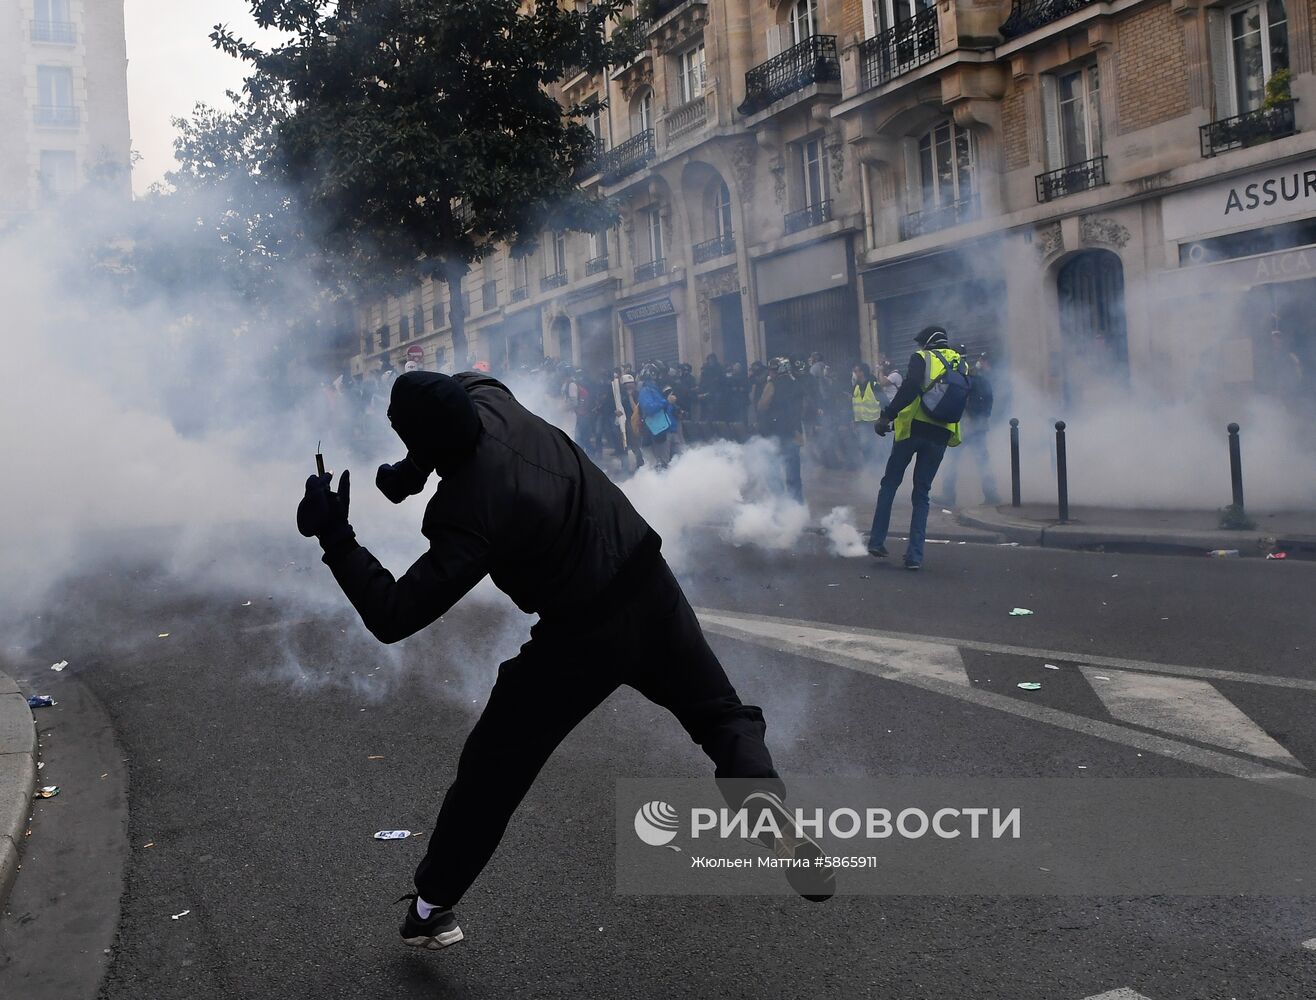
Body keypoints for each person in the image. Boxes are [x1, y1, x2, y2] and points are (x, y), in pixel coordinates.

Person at [296, 371, 833, 948]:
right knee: (721, 715)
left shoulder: (468, 510)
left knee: (491, 772)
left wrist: (336, 536)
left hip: (581, 636)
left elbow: (393, 614)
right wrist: (412, 471)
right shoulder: (490, 399)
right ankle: (763, 804)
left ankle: (430, 909)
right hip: (648, 581)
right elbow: (457, 409)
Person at [867, 325, 966, 570]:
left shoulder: (921, 358)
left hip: (913, 429)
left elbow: (910, 387)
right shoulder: (961, 364)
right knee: (922, 494)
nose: (919, 347)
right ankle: (915, 556)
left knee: (890, 483)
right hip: (941, 434)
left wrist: (887, 415)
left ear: (928, 343)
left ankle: (877, 541)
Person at [941, 353, 1000, 507]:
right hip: (978, 426)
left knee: (953, 461)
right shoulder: (982, 380)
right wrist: (983, 418)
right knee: (982, 461)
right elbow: (990, 400)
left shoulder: (962, 380)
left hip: (966, 426)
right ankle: (991, 494)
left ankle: (948, 496)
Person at [757, 358, 806, 503]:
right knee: (793, 474)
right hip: (794, 432)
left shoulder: (772, 385)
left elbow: (762, 406)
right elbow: (802, 408)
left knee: (774, 472)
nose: (770, 373)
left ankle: (780, 506)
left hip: (777, 433)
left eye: (773, 370)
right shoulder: (797, 384)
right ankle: (797, 507)